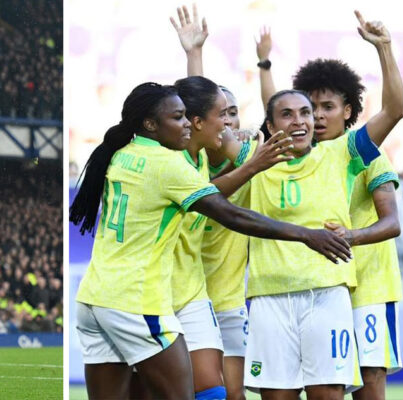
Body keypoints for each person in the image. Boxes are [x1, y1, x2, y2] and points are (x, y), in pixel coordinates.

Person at [71, 82, 350, 400]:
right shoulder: (168, 165)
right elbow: (232, 215)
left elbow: (213, 185)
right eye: (179, 118)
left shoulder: (123, 155)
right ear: (150, 124)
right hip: (136, 300)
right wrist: (307, 234)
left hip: (93, 299)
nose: (187, 123)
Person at [258, 11, 403, 400]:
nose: (317, 116)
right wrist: (265, 66)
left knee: (369, 387)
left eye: (327, 107)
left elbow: (392, 222)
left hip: (368, 283)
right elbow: (272, 113)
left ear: (349, 111)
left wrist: (350, 237)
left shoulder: (364, 152)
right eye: (311, 108)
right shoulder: (300, 154)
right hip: (320, 281)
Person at [170, 6, 252, 399]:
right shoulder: (191, 159)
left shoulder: (248, 158)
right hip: (179, 291)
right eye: (223, 114)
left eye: (234, 114)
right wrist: (193, 54)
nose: (228, 121)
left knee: (228, 393)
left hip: (227, 298)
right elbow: (193, 104)